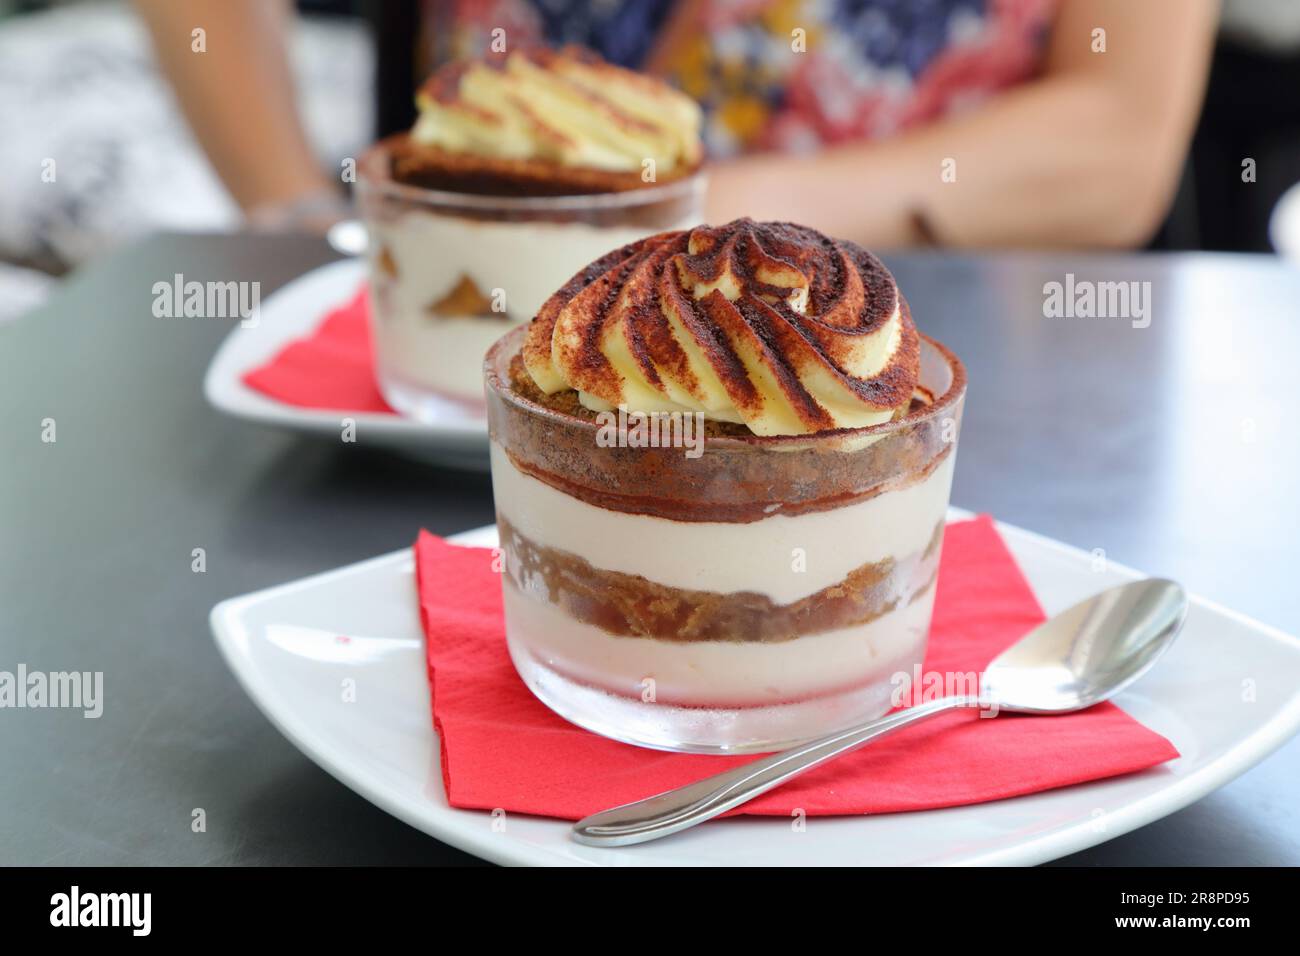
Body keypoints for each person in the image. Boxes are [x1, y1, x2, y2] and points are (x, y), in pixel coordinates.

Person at [136, 0, 1219, 248]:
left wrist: (683, 220)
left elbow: (1118, 143)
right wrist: (289, 206)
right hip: (465, 353)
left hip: (957, 366)